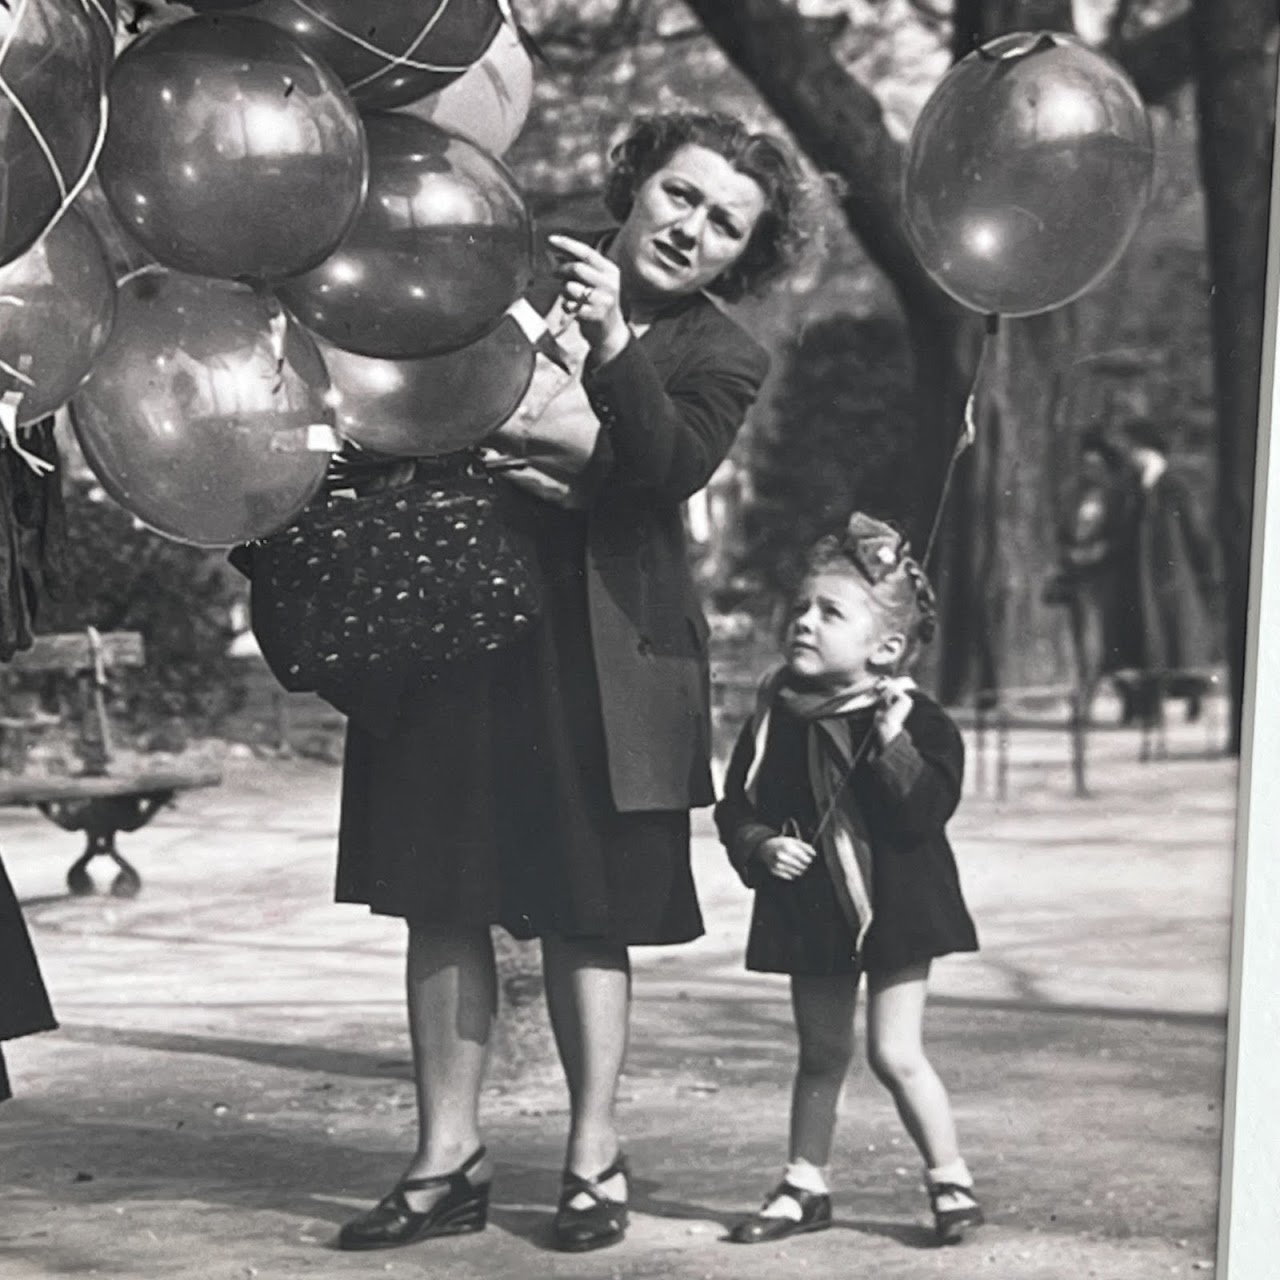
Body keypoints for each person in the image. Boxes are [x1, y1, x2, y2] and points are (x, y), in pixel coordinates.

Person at [332, 112, 811, 1254]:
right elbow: (407, 394)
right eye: (680, 197)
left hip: (598, 655)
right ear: (634, 181)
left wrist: (607, 355)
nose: (690, 231)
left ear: (744, 256)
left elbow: (666, 469)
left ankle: (592, 1156)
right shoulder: (507, 261)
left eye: (724, 225)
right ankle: (446, 1158)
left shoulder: (722, 352)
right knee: (439, 894)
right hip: (451, 621)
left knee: (583, 909)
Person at [715, 513, 982, 1248]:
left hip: (896, 909)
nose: (804, 621)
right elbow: (736, 801)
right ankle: (805, 1182)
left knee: (895, 1054)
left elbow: (923, 813)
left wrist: (893, 744)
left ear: (886, 646)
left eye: (830, 612)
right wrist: (760, 845)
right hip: (810, 909)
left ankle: (949, 1178)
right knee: (820, 1052)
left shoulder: (916, 720)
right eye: (800, 607)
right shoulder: (777, 713)